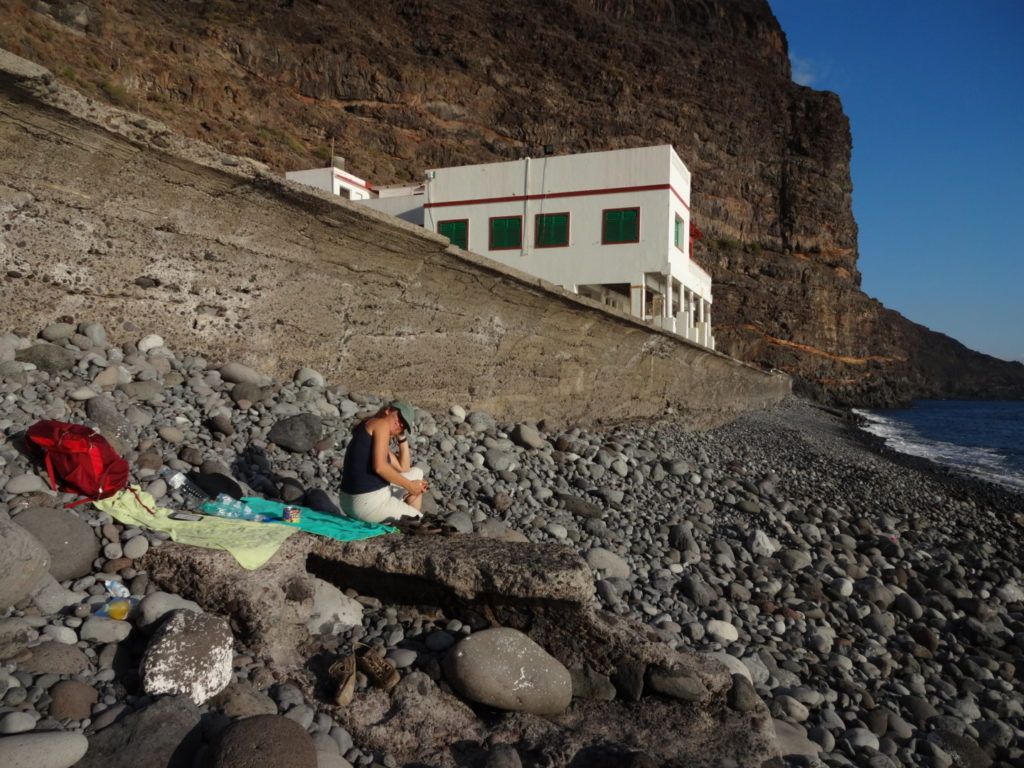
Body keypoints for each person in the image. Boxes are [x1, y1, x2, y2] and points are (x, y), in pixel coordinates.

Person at [339, 400, 428, 523]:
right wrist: (410, 486)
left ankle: (407, 520)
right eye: (399, 418)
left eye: (404, 425)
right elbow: (380, 467)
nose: (400, 424)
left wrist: (401, 437)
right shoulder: (381, 424)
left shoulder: (372, 429)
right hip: (367, 503)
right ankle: (410, 522)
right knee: (421, 521)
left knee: (417, 473)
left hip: (352, 501)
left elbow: (404, 468)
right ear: (387, 411)